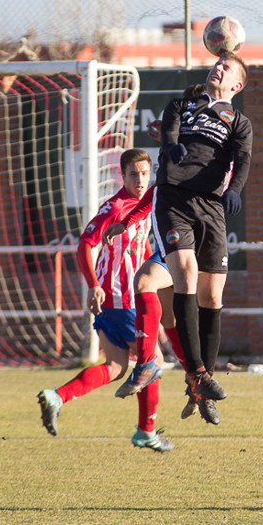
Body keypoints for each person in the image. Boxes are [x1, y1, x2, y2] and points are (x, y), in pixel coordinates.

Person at [117, 53, 252, 423]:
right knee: (186, 274)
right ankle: (198, 373)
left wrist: (235, 189)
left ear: (236, 86)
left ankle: (200, 385)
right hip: (175, 196)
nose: (217, 68)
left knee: (212, 294)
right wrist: (171, 143)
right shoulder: (183, 104)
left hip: (211, 206)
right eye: (217, 63)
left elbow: (241, 159)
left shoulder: (238, 121)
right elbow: (171, 125)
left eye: (226, 68)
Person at [36, 148, 174, 453]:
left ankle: (57, 396)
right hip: (122, 300)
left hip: (114, 303)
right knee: (154, 363)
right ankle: (146, 431)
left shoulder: (148, 198)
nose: (139, 180)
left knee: (115, 366)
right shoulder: (115, 207)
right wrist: (93, 285)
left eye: (143, 173)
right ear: (121, 176)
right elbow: (86, 243)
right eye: (132, 174)